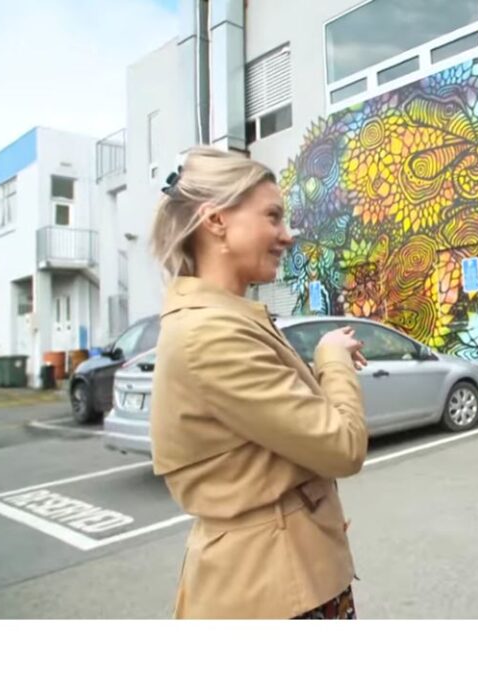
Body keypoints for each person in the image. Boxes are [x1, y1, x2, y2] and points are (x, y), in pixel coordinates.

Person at [148, 146, 369, 619]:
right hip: (277, 590)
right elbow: (343, 446)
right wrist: (332, 359)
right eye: (272, 216)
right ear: (216, 221)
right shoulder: (210, 333)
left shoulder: (225, 319)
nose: (287, 235)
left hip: (288, 572)